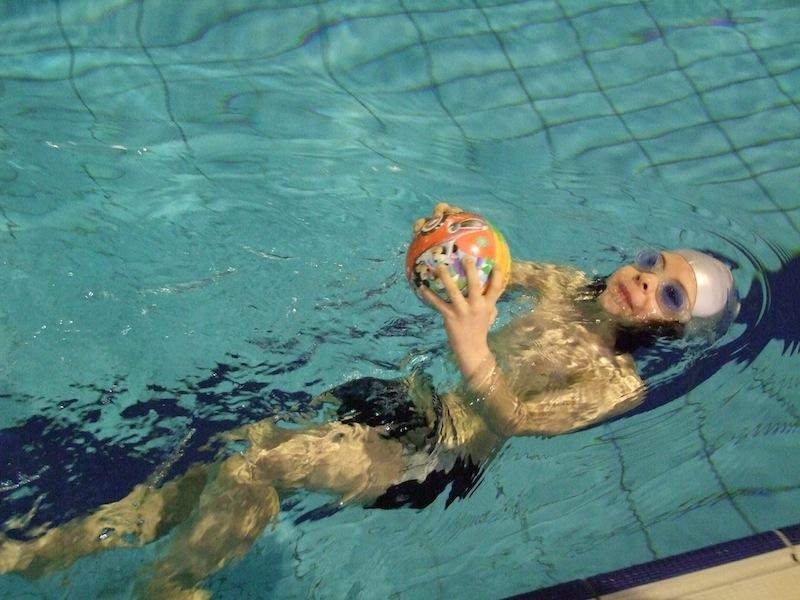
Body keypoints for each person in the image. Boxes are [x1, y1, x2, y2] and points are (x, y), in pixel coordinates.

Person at [0, 203, 739, 599]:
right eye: (652, 263)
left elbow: (516, 419)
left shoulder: (617, 384)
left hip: (433, 455)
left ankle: (171, 586)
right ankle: (40, 554)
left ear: (677, 330)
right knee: (235, 451)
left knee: (258, 465)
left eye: (669, 294)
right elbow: (481, 270)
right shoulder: (567, 283)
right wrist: (450, 239)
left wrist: (474, 350)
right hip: (407, 400)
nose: (646, 280)